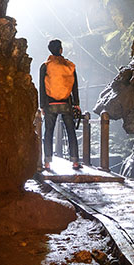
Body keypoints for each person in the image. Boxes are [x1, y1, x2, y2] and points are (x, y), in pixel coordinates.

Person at [39, 38, 81, 171]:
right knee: (71, 132)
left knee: (49, 132)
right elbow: (75, 87)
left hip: (50, 103)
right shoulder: (70, 66)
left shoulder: (45, 66)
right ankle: (75, 161)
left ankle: (47, 162)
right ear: (61, 50)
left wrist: (42, 106)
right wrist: (76, 104)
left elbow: (42, 87)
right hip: (66, 103)